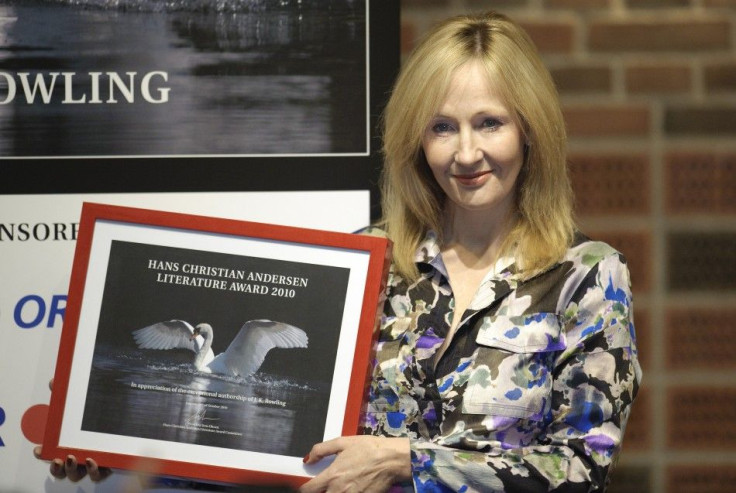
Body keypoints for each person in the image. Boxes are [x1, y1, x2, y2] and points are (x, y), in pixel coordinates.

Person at [37, 10, 641, 492]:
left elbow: (581, 470)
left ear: (530, 130)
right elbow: (284, 454)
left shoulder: (585, 277)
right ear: (415, 139)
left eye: (489, 123)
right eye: (441, 127)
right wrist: (118, 453)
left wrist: (410, 462)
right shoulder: (365, 263)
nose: (464, 153)